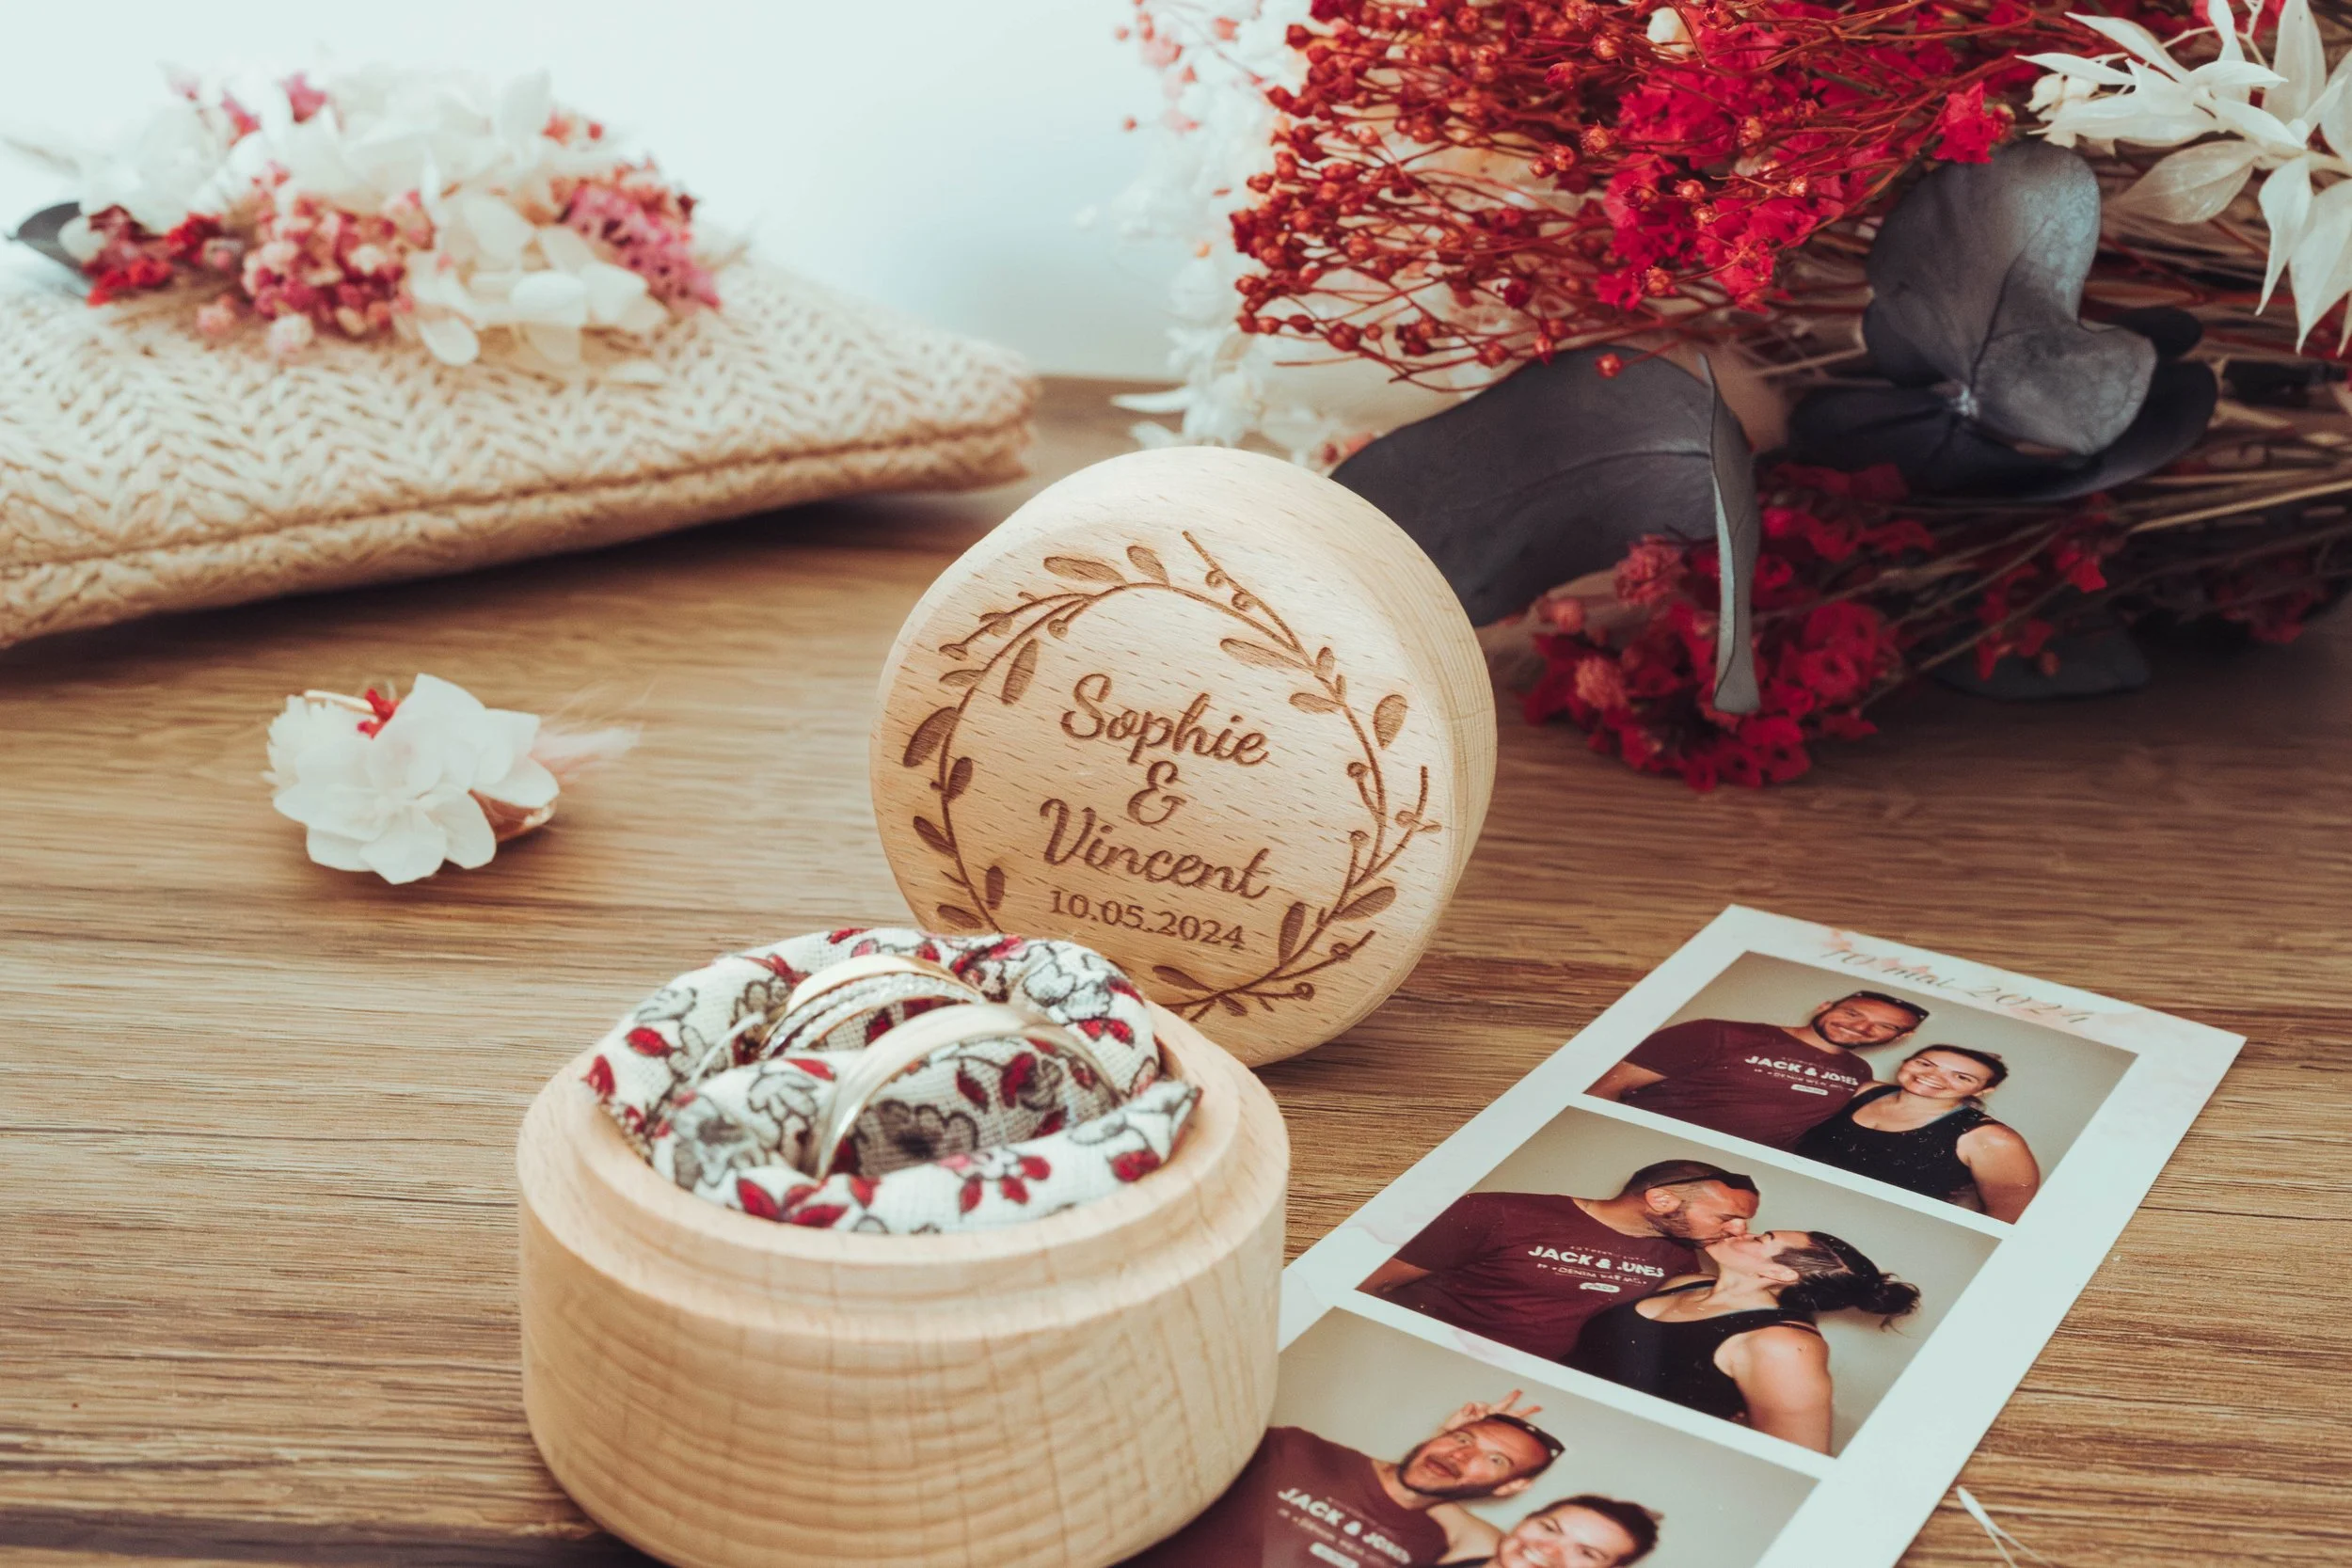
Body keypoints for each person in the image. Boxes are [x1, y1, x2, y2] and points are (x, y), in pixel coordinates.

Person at [1359, 1161, 1761, 1360]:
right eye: (1729, 1218)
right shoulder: (1494, 1211)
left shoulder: (1680, 1257)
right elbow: (1375, 1282)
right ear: (1661, 1199)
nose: (1739, 1231)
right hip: (1421, 1356)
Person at [1564, 1229, 1921, 1454]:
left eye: (1760, 1240)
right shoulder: (1687, 1283)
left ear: (1779, 1274)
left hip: (1615, 1451)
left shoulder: (1783, 1344)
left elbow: (1795, 1459)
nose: (1741, 1232)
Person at [1126, 1391, 1565, 1567]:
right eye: (1462, 1439)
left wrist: (1443, 1468)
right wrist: (1447, 1448)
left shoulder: (1440, 1543)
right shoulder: (1296, 1450)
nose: (1460, 1454)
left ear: (1511, 1488)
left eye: (1495, 1460)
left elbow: (1528, 1553)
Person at [1585, 991, 1930, 1148]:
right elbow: (1604, 1089)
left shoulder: (1858, 1070)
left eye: (1884, 1026)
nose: (1861, 1028)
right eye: (1854, 1013)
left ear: (1901, 1037)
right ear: (1825, 1006)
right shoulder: (1718, 1031)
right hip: (1646, 1145)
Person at [1794, 1046, 2042, 1221]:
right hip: (1798, 1196)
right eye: (1925, 1064)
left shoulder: (1992, 1139)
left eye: (1961, 1077)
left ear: (1982, 1091)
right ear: (1905, 1063)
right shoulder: (1865, 1090)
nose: (1932, 1076)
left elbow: (2006, 1218)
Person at [1463, 1496, 1661, 1568]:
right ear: (1526, 1520)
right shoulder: (1453, 1547)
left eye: (1587, 1553)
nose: (1548, 1549)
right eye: (1549, 1528)